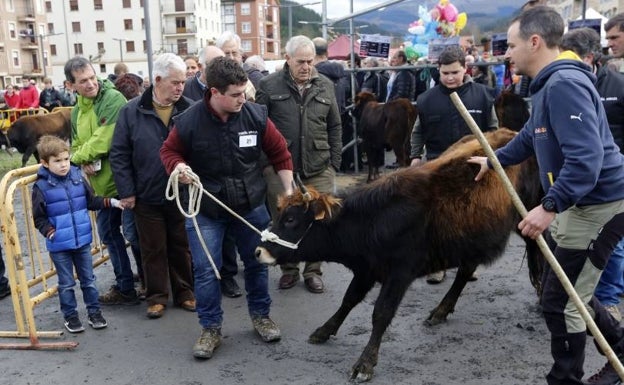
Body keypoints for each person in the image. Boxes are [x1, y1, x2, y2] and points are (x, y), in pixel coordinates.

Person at [468, 7, 624, 385]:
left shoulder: (563, 84)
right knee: (569, 292)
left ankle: (566, 378)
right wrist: (496, 160)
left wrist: (549, 207)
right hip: (582, 202)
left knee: (562, 301)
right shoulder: (548, 84)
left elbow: (586, 161)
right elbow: (532, 135)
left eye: (513, 45)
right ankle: (619, 345)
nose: (506, 53)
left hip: (597, 205)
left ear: (535, 42)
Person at [160, 56, 294, 359]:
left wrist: (288, 190)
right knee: (207, 271)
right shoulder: (189, 121)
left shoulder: (256, 115)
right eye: (235, 94)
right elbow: (169, 151)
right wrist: (179, 168)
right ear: (214, 92)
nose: (242, 99)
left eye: (244, 92)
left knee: (258, 262)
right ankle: (210, 329)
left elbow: (280, 152)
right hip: (207, 209)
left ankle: (261, 316)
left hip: (251, 206)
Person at [110, 53, 196, 319]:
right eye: (175, 82)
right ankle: (157, 296)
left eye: (183, 81)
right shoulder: (130, 111)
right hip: (146, 194)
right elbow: (120, 153)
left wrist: (193, 176)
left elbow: (201, 147)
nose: (181, 87)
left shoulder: (190, 109)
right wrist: (127, 192)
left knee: (181, 245)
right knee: (152, 247)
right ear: (157, 80)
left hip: (181, 194)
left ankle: (185, 292)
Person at [256, 35, 342, 294]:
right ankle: (289, 269)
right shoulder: (268, 85)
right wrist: (266, 166)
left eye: (310, 61)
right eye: (300, 61)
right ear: (287, 58)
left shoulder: (325, 85)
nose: (306, 66)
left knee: (320, 221)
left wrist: (334, 162)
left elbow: (335, 125)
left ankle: (313, 271)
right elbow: (258, 125)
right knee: (283, 220)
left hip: (319, 166)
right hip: (281, 169)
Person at [410, 45, 497, 284]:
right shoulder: (426, 100)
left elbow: (493, 130)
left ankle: (468, 266)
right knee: (438, 219)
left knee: (472, 219)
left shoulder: (483, 94)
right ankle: (437, 265)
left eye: (455, 72)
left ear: (465, 69)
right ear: (438, 70)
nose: (450, 77)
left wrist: (494, 159)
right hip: (439, 167)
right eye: (445, 72)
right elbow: (418, 132)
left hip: (474, 167)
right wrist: (415, 156)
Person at [64, 56, 140, 306]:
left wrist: (78, 157)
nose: (90, 84)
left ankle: (151, 282)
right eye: (83, 81)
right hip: (100, 187)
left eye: (92, 77)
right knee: (109, 234)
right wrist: (81, 156)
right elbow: (76, 144)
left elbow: (105, 139)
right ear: (70, 85)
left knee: (135, 234)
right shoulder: (76, 111)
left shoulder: (112, 98)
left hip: (124, 183)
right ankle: (126, 286)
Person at [561, 27, 624, 324]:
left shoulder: (617, 86)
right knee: (572, 238)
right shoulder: (566, 85)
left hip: (611, 180)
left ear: (588, 57)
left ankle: (609, 301)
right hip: (579, 179)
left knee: (612, 244)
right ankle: (572, 295)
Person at [31, 135, 120, 333]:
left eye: (65, 159)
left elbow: (91, 201)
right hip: (60, 245)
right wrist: (50, 232)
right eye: (57, 161)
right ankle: (70, 317)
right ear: (44, 163)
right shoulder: (41, 187)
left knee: (88, 279)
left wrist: (111, 202)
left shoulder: (78, 178)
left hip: (82, 242)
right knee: (66, 283)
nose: (63, 165)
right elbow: (39, 218)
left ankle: (94, 312)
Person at [216, 31, 256, 102]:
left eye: (234, 53)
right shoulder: (212, 78)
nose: (231, 58)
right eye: (227, 54)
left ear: (241, 55)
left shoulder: (252, 79)